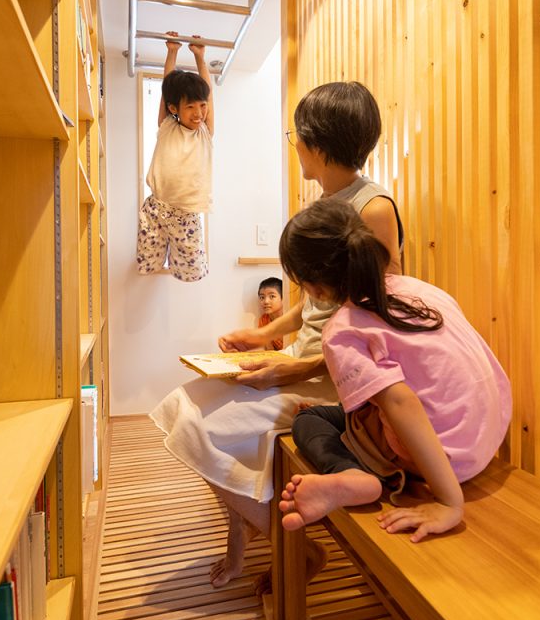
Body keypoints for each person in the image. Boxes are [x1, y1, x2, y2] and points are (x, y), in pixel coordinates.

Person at [151, 81, 404, 589]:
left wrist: (296, 368)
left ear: (319, 143)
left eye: (297, 135)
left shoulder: (373, 208)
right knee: (183, 404)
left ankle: (296, 549)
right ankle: (251, 535)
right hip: (300, 362)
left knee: (197, 429)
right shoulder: (325, 201)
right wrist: (260, 336)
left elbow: (380, 317)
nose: (295, 144)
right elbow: (315, 301)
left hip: (335, 379)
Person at [277, 197, 512, 542]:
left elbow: (400, 401)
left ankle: (354, 475)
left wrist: (449, 502)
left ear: (315, 289)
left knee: (308, 420)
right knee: (336, 411)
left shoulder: (342, 329)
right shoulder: (420, 289)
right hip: (484, 438)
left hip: (447, 461)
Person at [136, 32, 213, 282]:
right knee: (148, 263)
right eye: (190, 107)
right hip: (156, 208)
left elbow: (208, 93)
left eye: (202, 106)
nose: (198, 113)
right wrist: (172, 52)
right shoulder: (167, 125)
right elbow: (166, 88)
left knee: (191, 272)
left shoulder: (204, 133)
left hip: (186, 214)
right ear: (174, 109)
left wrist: (200, 57)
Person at [257, 277, 284, 350]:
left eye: (272, 296)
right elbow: (269, 349)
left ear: (283, 298)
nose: (266, 301)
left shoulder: (290, 318)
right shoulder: (263, 320)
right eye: (262, 297)